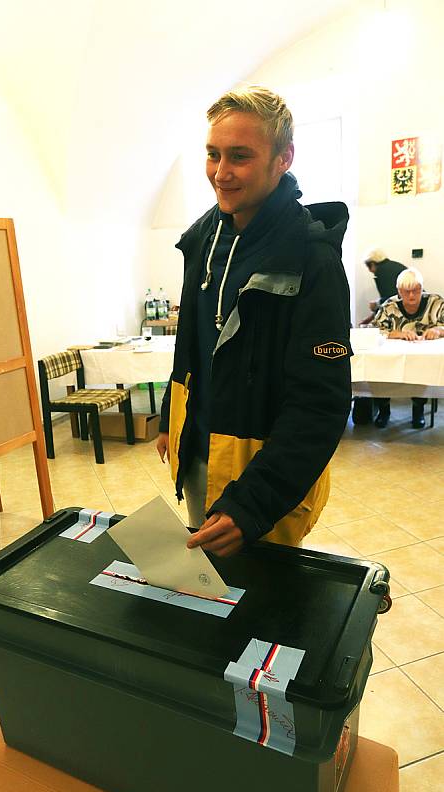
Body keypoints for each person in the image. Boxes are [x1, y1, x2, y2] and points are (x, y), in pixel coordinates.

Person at [155, 85, 352, 558]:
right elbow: (192, 341)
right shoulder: (203, 237)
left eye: (239, 156)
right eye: (212, 154)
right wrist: (168, 415)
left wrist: (252, 505)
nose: (221, 173)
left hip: (267, 473)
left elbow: (320, 405)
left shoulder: (312, 258)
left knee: (261, 605)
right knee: (210, 586)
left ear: (283, 158)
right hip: (201, 449)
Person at [371, 267, 444, 429]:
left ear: (422, 288)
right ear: (399, 291)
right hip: (392, 356)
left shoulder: (436, 303)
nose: (411, 295)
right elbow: (373, 330)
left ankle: (418, 409)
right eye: (406, 291)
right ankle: (384, 409)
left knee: (422, 370)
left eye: (416, 290)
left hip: (425, 357)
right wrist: (396, 333)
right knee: (380, 370)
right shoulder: (389, 306)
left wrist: (439, 330)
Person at [359, 248, 406, 326]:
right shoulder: (394, 266)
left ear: (372, 264)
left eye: (368, 267)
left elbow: (389, 300)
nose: (370, 271)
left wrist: (376, 304)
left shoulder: (382, 272)